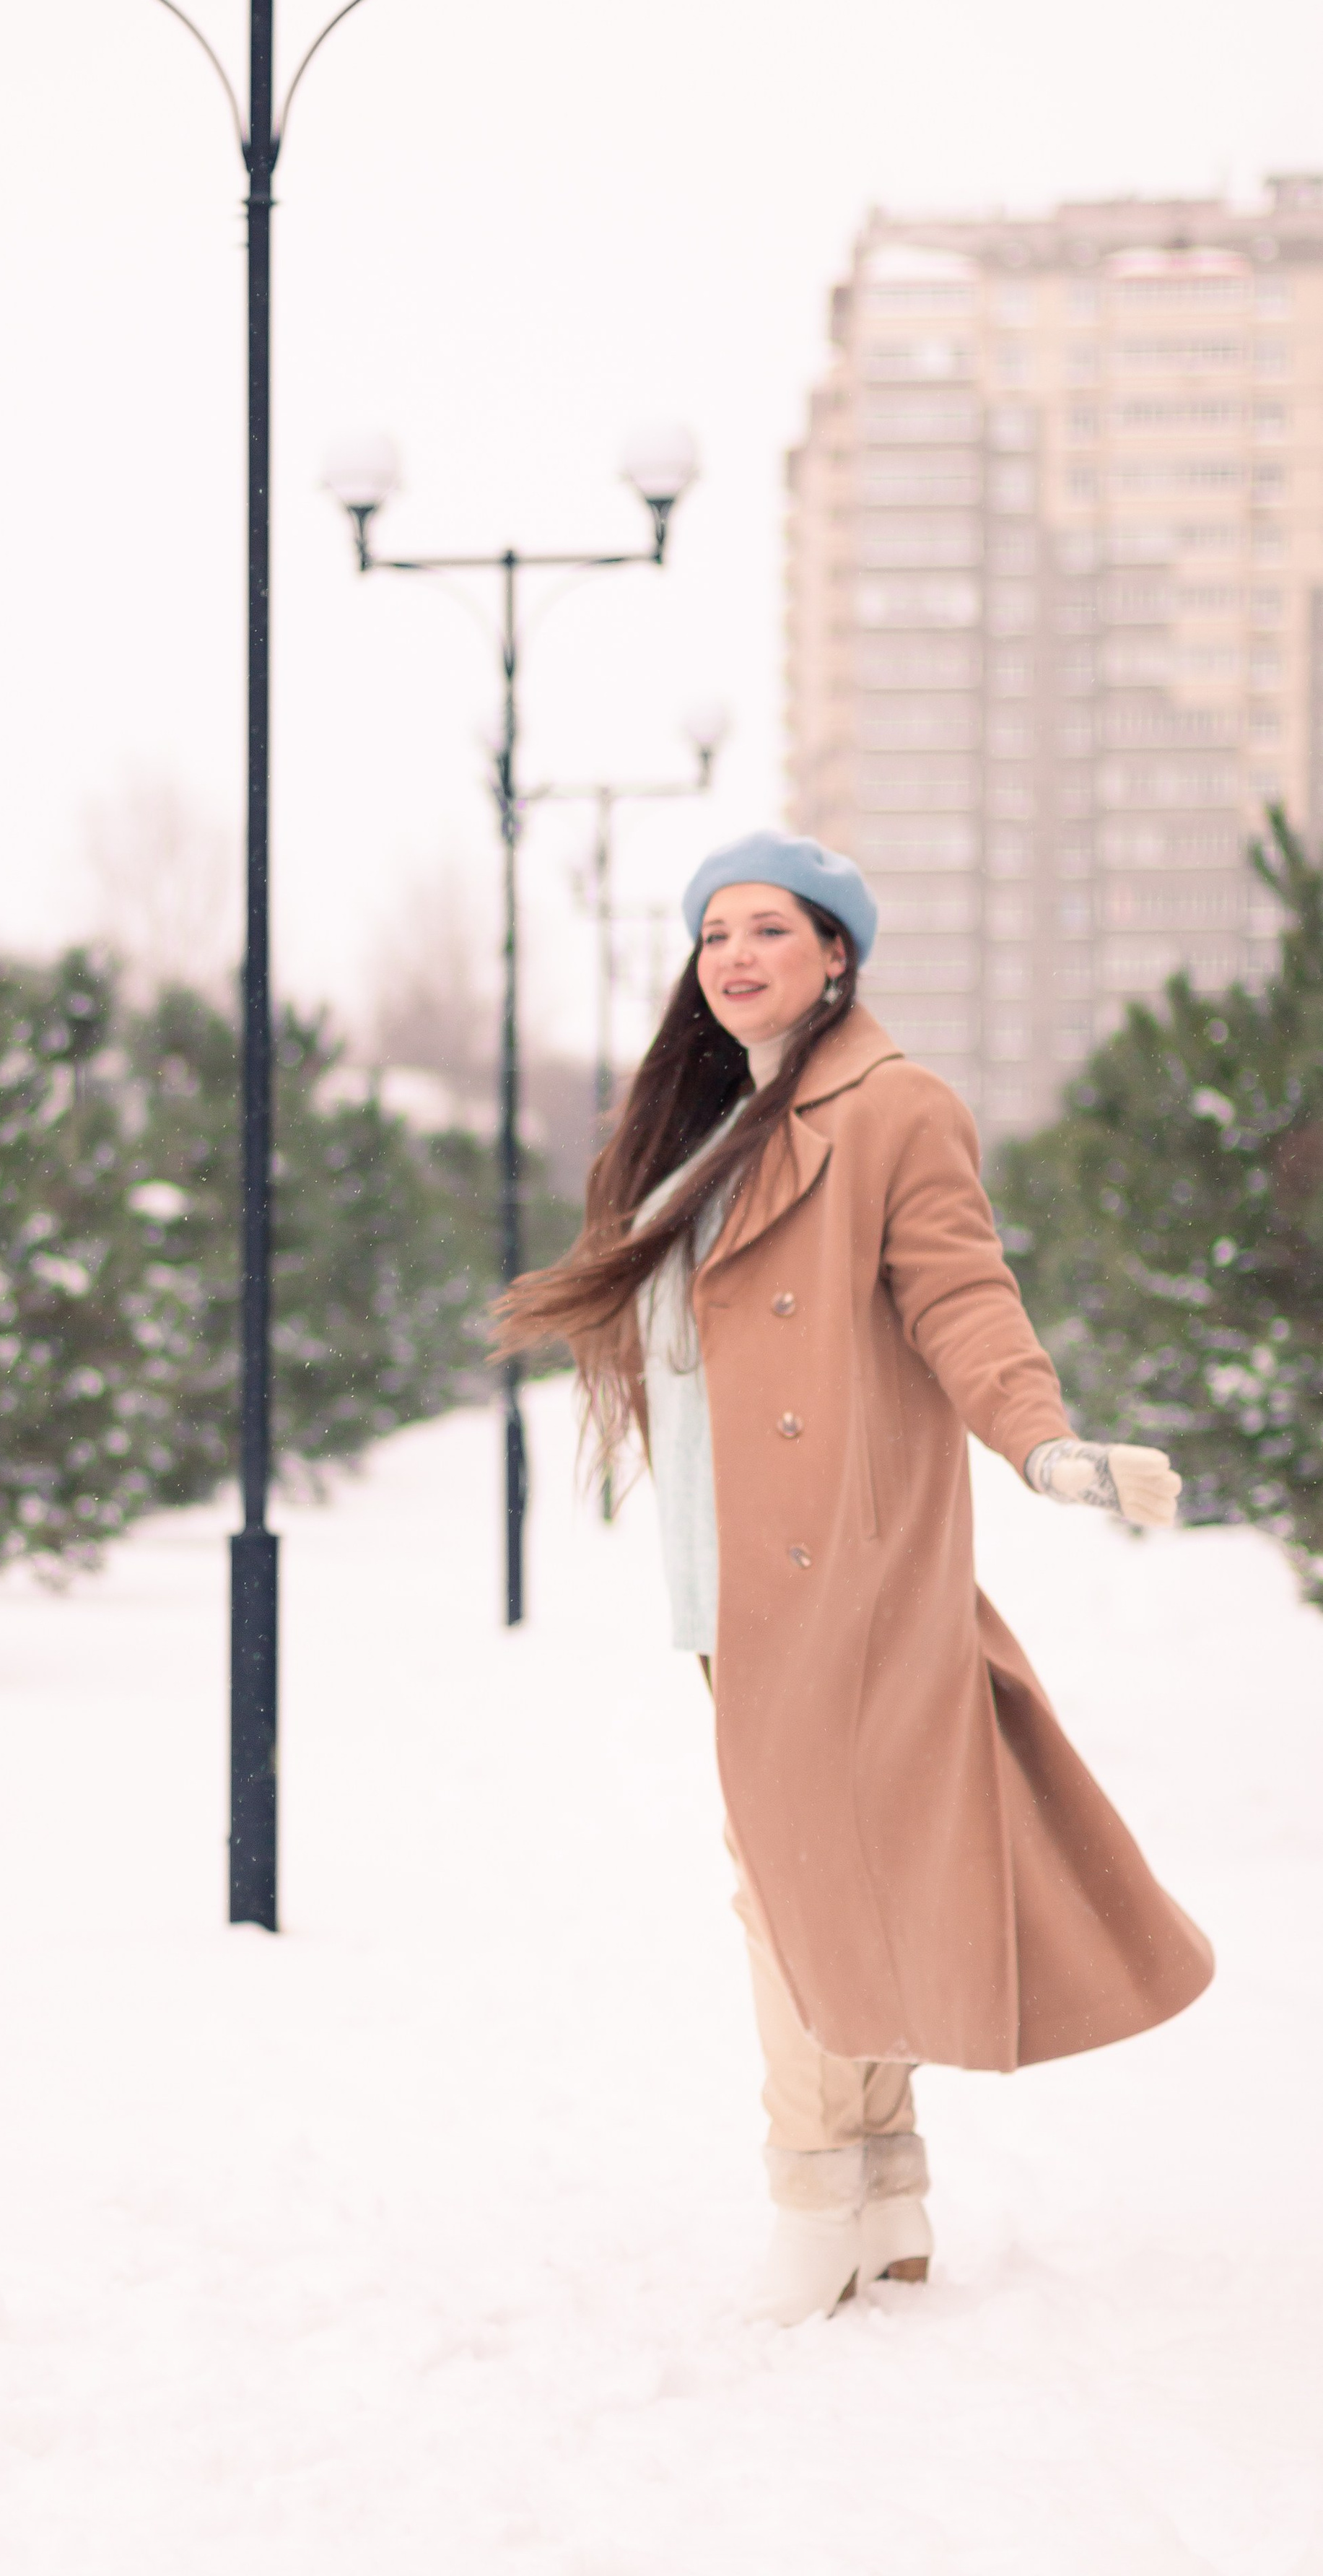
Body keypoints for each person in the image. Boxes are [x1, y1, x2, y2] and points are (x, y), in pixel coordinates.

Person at [494, 831, 1213, 2325]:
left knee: (792, 1887)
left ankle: (813, 2196)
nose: (734, 957)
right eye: (713, 936)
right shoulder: (714, 1124)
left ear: (837, 955)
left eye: (770, 929)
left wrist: (1042, 1447)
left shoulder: (894, 1110)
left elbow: (963, 1300)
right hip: (730, 1567)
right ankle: (884, 2193)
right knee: (823, 1874)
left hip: (835, 1566)